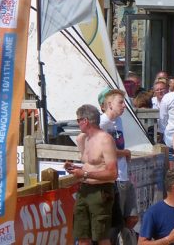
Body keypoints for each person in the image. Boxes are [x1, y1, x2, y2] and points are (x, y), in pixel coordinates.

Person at [67, 104, 119, 245]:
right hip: (84, 190)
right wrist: (75, 168)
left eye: (78, 120)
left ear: (85, 121)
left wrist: (83, 173)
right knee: (82, 235)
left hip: (100, 192)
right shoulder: (87, 139)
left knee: (101, 237)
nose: (78, 124)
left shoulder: (105, 139)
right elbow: (92, 165)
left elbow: (113, 173)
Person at [100, 89, 138, 233]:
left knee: (132, 217)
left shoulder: (119, 120)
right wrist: (124, 153)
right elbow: (100, 150)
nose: (124, 106)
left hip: (124, 175)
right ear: (110, 104)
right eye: (120, 102)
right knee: (115, 221)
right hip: (114, 177)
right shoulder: (102, 122)